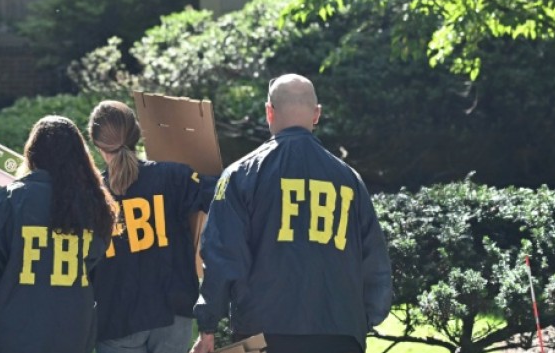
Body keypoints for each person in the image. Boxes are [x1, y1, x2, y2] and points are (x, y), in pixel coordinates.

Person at [190, 74, 393, 353]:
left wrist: (208, 325)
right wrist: (363, 322)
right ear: (316, 114)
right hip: (340, 333)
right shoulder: (350, 180)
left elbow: (222, 255)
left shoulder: (240, 175)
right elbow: (375, 261)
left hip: (265, 333)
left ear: (269, 111)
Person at [0, 115, 120, 353]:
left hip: (12, 335)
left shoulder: (4, 202)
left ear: (32, 154)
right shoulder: (96, 204)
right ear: (80, 157)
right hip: (73, 333)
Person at [89, 100, 213, 353]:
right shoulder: (174, 176)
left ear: (96, 143)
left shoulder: (90, 193)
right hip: (172, 310)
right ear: (136, 133)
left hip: (116, 317)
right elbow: (223, 194)